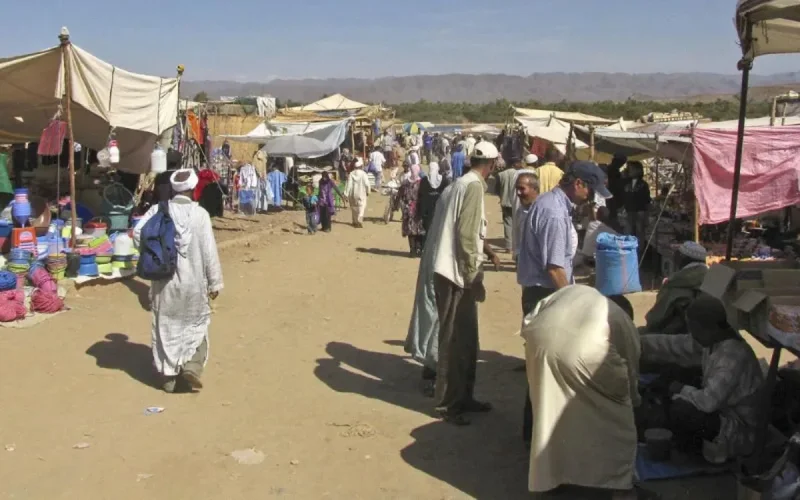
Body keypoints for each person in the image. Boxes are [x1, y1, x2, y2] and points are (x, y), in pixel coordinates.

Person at [517, 160, 611, 445]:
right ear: (578, 184)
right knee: (548, 369)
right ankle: (537, 435)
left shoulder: (553, 205)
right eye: (590, 190)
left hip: (543, 291)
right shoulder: (555, 213)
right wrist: (577, 303)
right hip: (546, 295)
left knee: (543, 367)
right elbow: (555, 268)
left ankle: (536, 432)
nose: (591, 198)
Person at [522, 285, 641, 498]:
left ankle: (552, 479)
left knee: (552, 409)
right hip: (585, 353)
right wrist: (631, 399)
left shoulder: (574, 292)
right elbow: (631, 363)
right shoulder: (620, 318)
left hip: (539, 341)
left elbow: (529, 320)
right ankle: (619, 486)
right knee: (618, 420)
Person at [426, 141, 500, 425]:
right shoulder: (472, 187)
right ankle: (448, 404)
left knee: (466, 340)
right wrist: (473, 278)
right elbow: (467, 237)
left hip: (452, 271)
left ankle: (463, 397)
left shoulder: (460, 183)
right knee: (454, 341)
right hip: (455, 275)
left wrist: (487, 251)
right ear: (491, 165)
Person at [639, 294, 763, 463]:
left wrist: (680, 389)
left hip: (739, 431)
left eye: (694, 330)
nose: (692, 335)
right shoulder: (714, 340)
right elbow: (675, 346)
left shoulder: (733, 357)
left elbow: (708, 403)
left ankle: (689, 451)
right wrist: (639, 342)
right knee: (675, 370)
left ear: (708, 328)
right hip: (721, 410)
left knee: (682, 410)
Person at [133, 169, 224, 393]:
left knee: (166, 328)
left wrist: (154, 253)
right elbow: (209, 252)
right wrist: (215, 283)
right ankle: (192, 366)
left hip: (164, 284)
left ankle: (168, 377)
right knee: (196, 326)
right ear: (193, 189)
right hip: (194, 284)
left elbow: (137, 234)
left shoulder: (157, 210)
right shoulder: (200, 215)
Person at [643, 241, 709, 335]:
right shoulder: (712, 278)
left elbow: (655, 320)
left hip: (682, 336)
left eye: (678, 254)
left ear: (683, 257)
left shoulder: (675, 284)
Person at [495, 160, 523, 252]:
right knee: (518, 224)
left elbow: (496, 190)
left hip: (505, 202)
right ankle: (518, 245)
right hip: (517, 203)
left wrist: (502, 196)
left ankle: (509, 246)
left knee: (507, 224)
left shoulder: (501, 174)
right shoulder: (520, 174)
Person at [624, 161, 651, 254]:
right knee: (629, 232)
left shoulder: (643, 184)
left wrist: (646, 215)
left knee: (639, 233)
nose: (630, 171)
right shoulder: (627, 184)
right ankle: (629, 251)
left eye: (632, 169)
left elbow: (647, 200)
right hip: (629, 212)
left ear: (638, 170)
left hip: (640, 212)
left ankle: (639, 252)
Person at [417, 161, 450, 237]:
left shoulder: (424, 180)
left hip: (428, 211)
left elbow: (421, 196)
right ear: (438, 169)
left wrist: (421, 212)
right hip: (441, 210)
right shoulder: (444, 180)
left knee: (428, 231)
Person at [512, 172, 540, 262]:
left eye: (522, 188)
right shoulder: (520, 211)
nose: (518, 193)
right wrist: (517, 253)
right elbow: (517, 235)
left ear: (535, 189)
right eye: (517, 189)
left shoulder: (545, 212)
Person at [399, 165, 426, 257]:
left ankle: (413, 250)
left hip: (410, 209)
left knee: (412, 230)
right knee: (417, 230)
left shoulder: (406, 182)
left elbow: (401, 196)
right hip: (417, 209)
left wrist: (403, 207)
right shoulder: (421, 182)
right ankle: (417, 249)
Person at [345, 158, 371, 228]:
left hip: (352, 194)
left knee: (354, 208)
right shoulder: (363, 174)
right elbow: (367, 184)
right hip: (361, 193)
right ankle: (359, 220)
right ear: (361, 166)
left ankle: (354, 221)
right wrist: (368, 191)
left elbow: (349, 185)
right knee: (361, 207)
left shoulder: (351, 174)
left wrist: (346, 194)